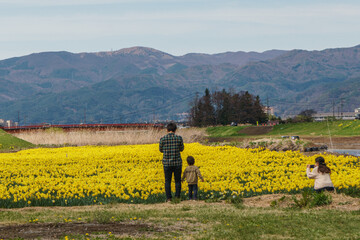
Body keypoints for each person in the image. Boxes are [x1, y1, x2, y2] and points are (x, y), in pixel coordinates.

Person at [159, 122, 184, 202]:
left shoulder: (163, 139)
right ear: (175, 130)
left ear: (167, 130)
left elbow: (160, 150)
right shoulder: (179, 138)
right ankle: (177, 197)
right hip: (177, 163)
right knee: (177, 181)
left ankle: (169, 198)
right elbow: (181, 149)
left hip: (167, 163)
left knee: (167, 181)